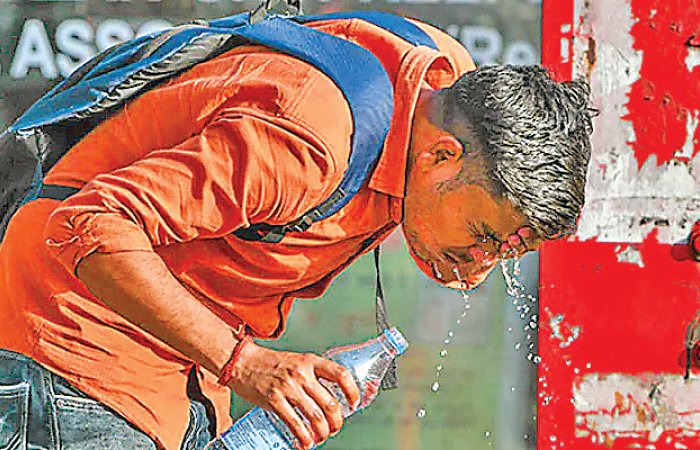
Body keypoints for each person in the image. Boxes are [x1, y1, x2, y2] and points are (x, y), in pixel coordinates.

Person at [0, 11, 593, 450]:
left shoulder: (444, 82)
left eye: (509, 250)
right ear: (441, 157)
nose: (481, 266)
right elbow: (89, 226)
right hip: (72, 351)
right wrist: (247, 363)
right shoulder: (308, 141)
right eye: (484, 235)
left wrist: (237, 364)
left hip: (179, 373)